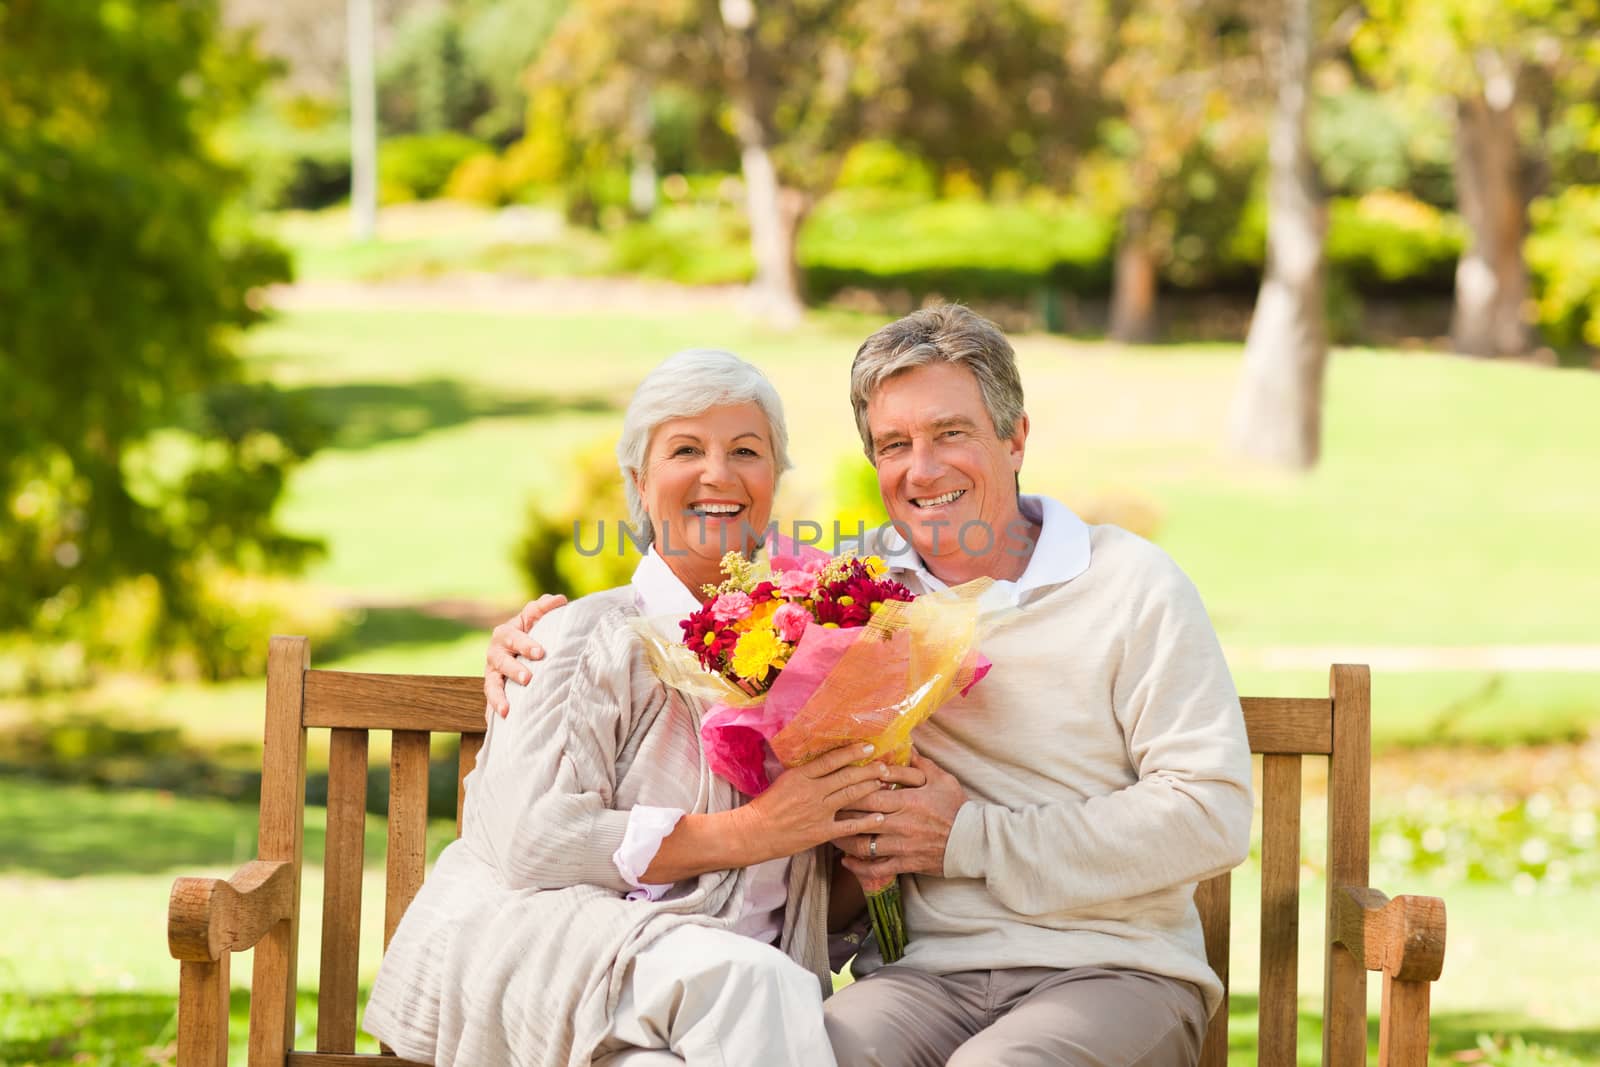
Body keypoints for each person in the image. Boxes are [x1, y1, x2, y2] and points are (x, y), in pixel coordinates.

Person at [488, 305, 1255, 1067]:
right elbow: (689, 609)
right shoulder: (844, 595)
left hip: (1112, 970)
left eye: (951, 432)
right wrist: (530, 640)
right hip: (924, 978)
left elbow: (1210, 812)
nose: (923, 469)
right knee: (791, 1054)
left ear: (1015, 436)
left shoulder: (1130, 584)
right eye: (895, 444)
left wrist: (970, 838)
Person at [365, 349, 917, 1067]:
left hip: (686, 1032)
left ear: (772, 481)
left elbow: (807, 904)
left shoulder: (812, 648)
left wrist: (866, 841)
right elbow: (537, 839)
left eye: (746, 451)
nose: (718, 473)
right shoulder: (581, 638)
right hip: (578, 971)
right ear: (639, 482)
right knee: (760, 982)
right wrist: (754, 828)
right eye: (686, 449)